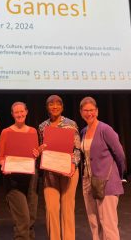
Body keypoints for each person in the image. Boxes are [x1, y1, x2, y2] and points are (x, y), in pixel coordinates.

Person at [79, 96, 126, 240]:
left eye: (92, 110)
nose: (89, 113)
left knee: (108, 224)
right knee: (94, 223)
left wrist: (118, 176)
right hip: (88, 181)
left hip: (106, 182)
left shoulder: (105, 129)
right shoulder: (83, 132)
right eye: (86, 110)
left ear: (97, 111)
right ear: (81, 112)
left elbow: (120, 154)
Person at [38, 95, 81, 240]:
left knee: (67, 208)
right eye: (51, 104)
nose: (54, 107)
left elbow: (77, 149)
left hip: (69, 170)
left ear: (62, 107)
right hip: (50, 173)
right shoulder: (42, 126)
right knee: (51, 209)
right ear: (47, 107)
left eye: (57, 104)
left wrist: (73, 164)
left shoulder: (71, 124)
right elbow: (43, 148)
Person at [0, 102, 39, 240]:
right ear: (12, 114)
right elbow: (1, 157)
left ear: (26, 112)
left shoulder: (33, 131)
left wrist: (37, 153)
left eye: (22, 111)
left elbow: (33, 154)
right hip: (13, 179)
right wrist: (4, 165)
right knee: (23, 220)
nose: (20, 114)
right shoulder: (6, 132)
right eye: (16, 112)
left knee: (31, 220)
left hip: (31, 179)